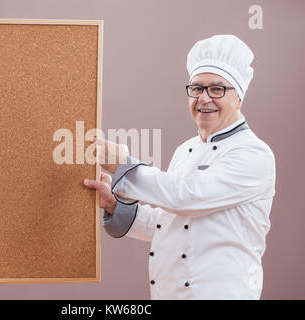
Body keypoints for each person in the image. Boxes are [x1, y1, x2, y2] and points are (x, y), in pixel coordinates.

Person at [84, 34, 276, 300]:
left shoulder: (253, 154)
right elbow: (171, 224)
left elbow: (185, 197)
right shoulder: (186, 150)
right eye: (196, 88)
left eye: (217, 89)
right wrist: (116, 205)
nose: (204, 98)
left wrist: (122, 166)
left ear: (239, 97)